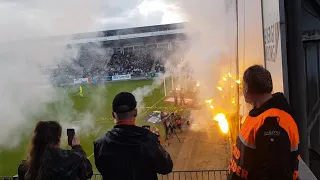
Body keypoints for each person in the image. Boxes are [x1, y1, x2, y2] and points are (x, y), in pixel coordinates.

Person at [227, 65, 299, 180]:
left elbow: (275, 174)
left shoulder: (272, 123)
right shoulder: (262, 115)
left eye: (243, 86)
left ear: (247, 88)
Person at [94, 92, 173, 180]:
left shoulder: (100, 143)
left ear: (113, 115)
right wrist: (157, 142)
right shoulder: (148, 139)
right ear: (135, 112)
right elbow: (166, 167)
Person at [18, 121, 93, 180]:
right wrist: (77, 147)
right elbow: (87, 172)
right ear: (58, 138)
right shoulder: (73, 157)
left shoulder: (25, 168)